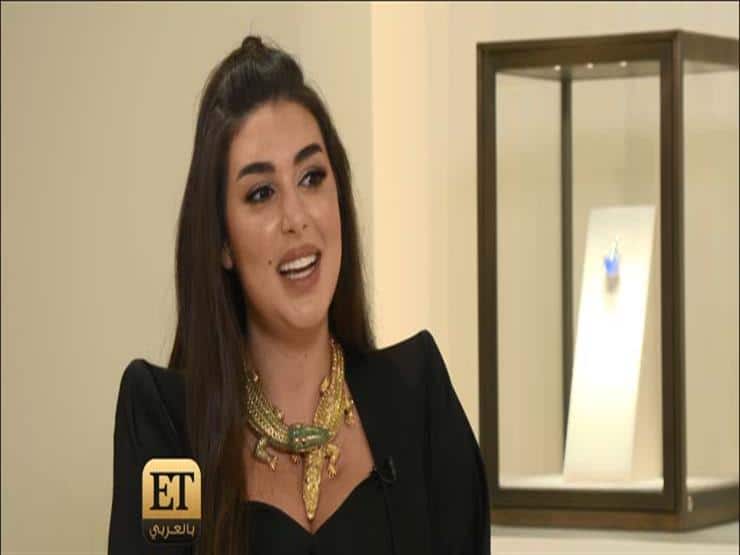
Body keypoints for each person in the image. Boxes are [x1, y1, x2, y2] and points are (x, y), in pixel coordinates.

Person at [108, 34, 490, 555]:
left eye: (312, 178)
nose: (297, 218)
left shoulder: (418, 398)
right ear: (222, 241)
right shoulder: (171, 434)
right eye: (261, 193)